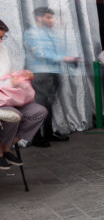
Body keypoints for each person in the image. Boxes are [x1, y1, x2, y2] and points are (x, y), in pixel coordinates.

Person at [23, 6, 79, 146]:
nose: (51, 20)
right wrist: (65, 58)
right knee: (39, 106)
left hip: (52, 73)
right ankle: (36, 137)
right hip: (40, 74)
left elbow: (56, 52)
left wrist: (69, 58)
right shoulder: (32, 33)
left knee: (48, 105)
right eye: (48, 17)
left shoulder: (49, 34)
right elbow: (40, 54)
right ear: (39, 18)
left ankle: (48, 134)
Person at [0, 19, 47, 167]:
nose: (1, 41)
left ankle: (8, 145)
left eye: (2, 37)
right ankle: (4, 150)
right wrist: (9, 83)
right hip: (3, 99)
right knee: (14, 115)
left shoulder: (3, 49)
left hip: (9, 97)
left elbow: (7, 73)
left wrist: (22, 75)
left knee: (39, 112)